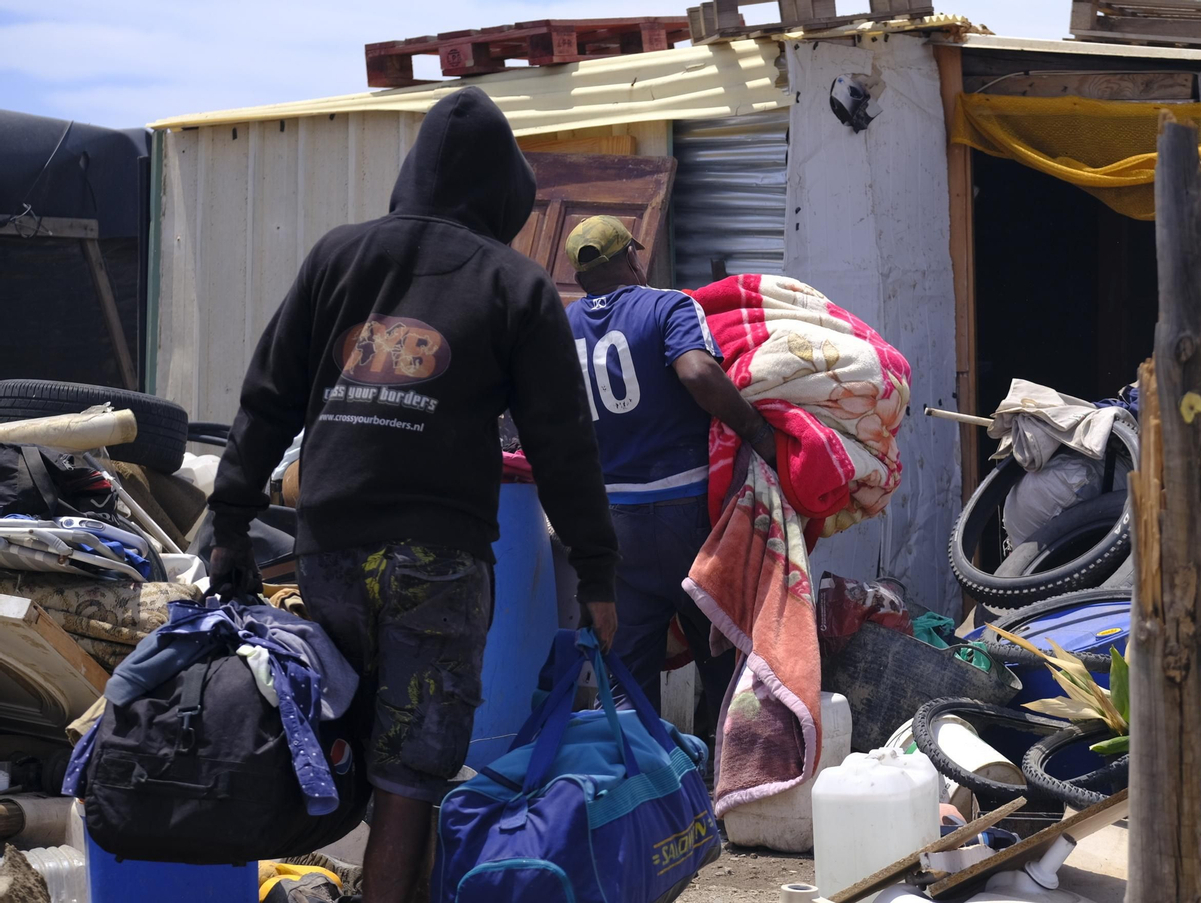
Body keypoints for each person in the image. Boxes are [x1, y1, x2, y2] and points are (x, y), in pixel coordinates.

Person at [205, 87, 618, 903]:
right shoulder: (515, 283)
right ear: (504, 188)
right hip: (437, 561)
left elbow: (267, 397)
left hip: (328, 549)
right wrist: (598, 573)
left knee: (341, 736)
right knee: (412, 770)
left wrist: (230, 525)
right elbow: (562, 445)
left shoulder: (337, 256)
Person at [563, 215, 776, 722]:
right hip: (686, 514)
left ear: (581, 275)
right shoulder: (668, 305)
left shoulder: (560, 326)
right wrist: (756, 430)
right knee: (722, 655)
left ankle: (639, 768)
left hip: (614, 521)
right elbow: (698, 372)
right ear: (630, 258)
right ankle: (727, 762)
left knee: (628, 682)